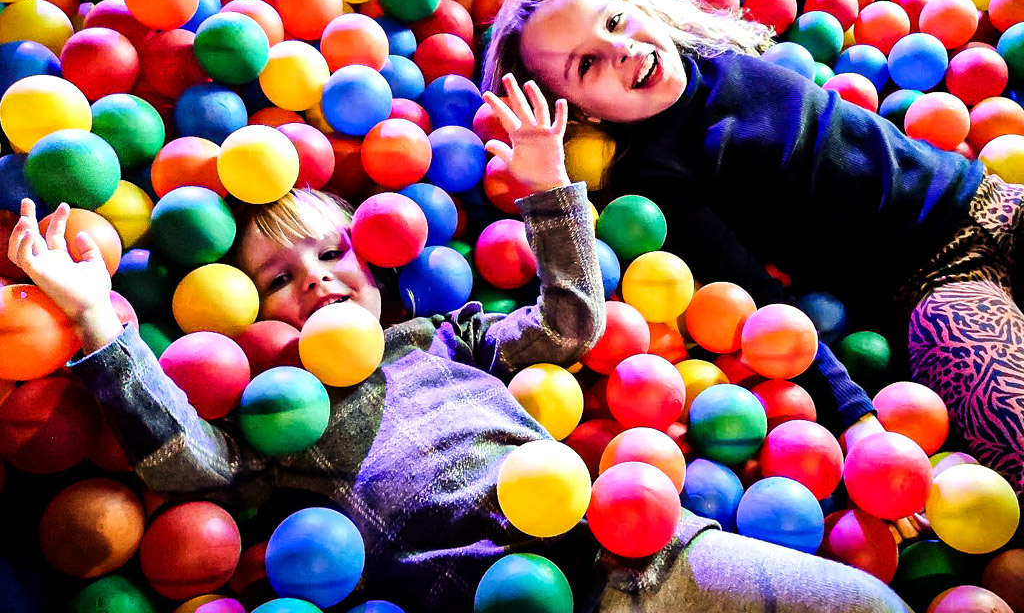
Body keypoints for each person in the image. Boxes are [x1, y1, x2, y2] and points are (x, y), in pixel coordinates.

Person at [8, 87, 909, 612]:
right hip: (489, 600)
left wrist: (549, 186)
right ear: (247, 315)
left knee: (866, 604)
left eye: (330, 254)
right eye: (278, 278)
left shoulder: (444, 338)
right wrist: (98, 322)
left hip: (631, 552)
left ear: (382, 258)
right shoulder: (271, 414)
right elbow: (189, 468)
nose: (316, 280)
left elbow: (569, 324)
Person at [481, 0, 1024, 496]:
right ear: (580, 114)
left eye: (615, 22)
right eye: (587, 65)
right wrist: (856, 422)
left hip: (990, 197)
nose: (619, 48)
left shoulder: (715, 51)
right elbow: (760, 306)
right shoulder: (655, 184)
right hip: (932, 282)